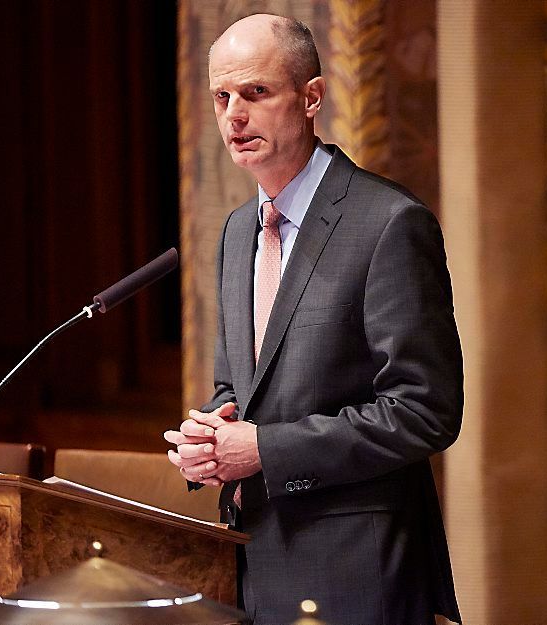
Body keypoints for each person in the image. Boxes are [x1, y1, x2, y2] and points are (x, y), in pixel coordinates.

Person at [163, 14, 462, 625]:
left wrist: (264, 449)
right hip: (254, 561)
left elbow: (425, 410)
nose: (233, 116)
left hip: (359, 571)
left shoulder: (387, 223)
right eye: (222, 97)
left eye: (255, 93)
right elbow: (240, 389)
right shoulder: (238, 230)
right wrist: (213, 439)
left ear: (311, 98)